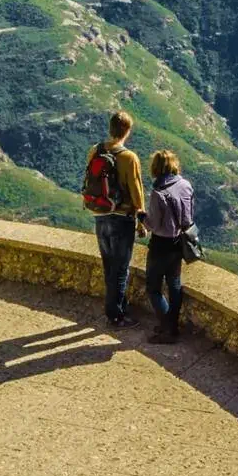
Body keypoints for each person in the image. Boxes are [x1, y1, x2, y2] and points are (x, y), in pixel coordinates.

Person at [84, 111, 145, 327]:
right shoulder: (129, 158)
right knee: (121, 268)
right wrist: (141, 218)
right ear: (128, 131)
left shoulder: (95, 150)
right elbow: (136, 191)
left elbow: (89, 180)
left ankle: (117, 305)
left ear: (110, 129)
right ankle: (116, 315)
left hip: (100, 215)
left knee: (109, 265)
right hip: (121, 218)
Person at [142, 148, 195, 344]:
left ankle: (168, 328)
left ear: (155, 168)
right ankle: (171, 324)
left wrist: (141, 216)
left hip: (160, 245)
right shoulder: (186, 185)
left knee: (153, 288)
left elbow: (153, 224)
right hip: (179, 243)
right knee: (174, 285)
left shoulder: (158, 192)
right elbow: (189, 217)